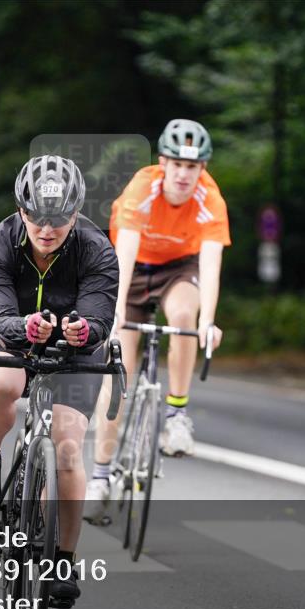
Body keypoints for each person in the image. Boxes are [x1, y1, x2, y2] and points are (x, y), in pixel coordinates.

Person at [0, 155, 118, 603]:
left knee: (67, 446)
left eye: (59, 219)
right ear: (21, 210)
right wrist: (23, 327)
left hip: (72, 345)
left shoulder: (96, 248)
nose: (47, 229)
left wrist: (84, 331)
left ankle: (63, 560)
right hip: (8, 331)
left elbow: (100, 315)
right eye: (36, 218)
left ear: (76, 213)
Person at [85, 119, 230, 523]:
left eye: (193, 167)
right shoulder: (142, 188)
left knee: (184, 315)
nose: (184, 174)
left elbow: (211, 265)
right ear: (163, 163)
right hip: (133, 269)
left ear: (202, 169)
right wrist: (114, 311)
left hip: (177, 270)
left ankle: (177, 414)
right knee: (118, 378)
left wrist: (208, 321)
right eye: (177, 164)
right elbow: (125, 255)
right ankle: (100, 476)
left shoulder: (210, 199)